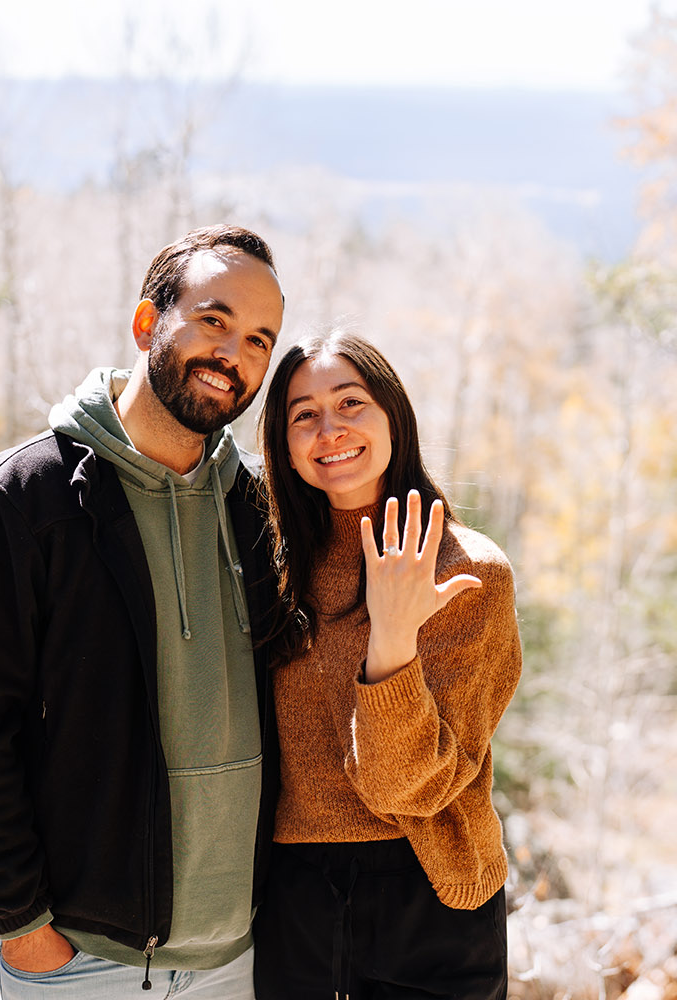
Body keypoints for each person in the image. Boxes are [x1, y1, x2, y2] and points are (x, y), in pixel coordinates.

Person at [0, 225, 285, 999]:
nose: (234, 355)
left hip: (242, 956)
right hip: (85, 961)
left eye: (259, 339)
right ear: (148, 323)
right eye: (213, 320)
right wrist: (23, 924)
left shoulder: (258, 508)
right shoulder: (22, 500)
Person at [252, 331, 522, 1000]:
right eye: (303, 414)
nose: (330, 429)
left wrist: (394, 638)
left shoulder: (469, 571)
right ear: (283, 444)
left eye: (351, 402)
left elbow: (413, 789)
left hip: (430, 894)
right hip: (296, 902)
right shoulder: (273, 570)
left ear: (392, 414)